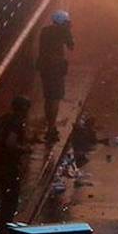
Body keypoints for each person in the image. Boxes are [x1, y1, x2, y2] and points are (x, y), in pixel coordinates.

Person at [0, 96, 31, 234]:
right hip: (7, 168)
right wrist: (24, 149)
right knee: (9, 204)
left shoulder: (3, 120)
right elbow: (10, 143)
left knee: (5, 201)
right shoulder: (16, 123)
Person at [36, 10, 74, 142]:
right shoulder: (63, 31)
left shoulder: (45, 31)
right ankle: (51, 128)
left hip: (44, 68)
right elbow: (71, 46)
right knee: (55, 98)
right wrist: (68, 31)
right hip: (56, 68)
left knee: (48, 97)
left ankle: (49, 125)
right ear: (62, 22)